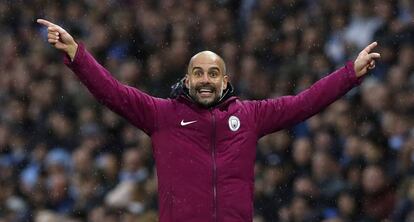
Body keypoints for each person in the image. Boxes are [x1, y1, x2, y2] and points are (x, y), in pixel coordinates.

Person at [37, 18, 380, 222]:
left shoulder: (250, 116)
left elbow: (304, 102)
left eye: (213, 73)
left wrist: (350, 74)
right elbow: (112, 91)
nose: (205, 79)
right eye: (198, 73)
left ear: (225, 81)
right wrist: (77, 55)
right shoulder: (161, 115)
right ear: (187, 80)